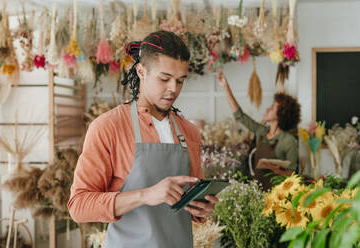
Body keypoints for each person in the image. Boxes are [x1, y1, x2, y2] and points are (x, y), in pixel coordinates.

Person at [68, 30, 218, 248]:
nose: (173, 89)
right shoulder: (108, 127)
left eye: (180, 81)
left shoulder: (189, 132)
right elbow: (79, 206)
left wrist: (202, 209)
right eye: (164, 78)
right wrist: (146, 195)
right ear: (141, 71)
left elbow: (192, 201)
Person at [216, 69, 301, 190]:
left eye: (272, 108)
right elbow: (240, 116)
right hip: (257, 190)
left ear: (282, 114)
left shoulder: (289, 141)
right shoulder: (262, 131)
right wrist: (225, 86)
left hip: (276, 195)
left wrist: (275, 169)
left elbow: (292, 174)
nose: (267, 109)